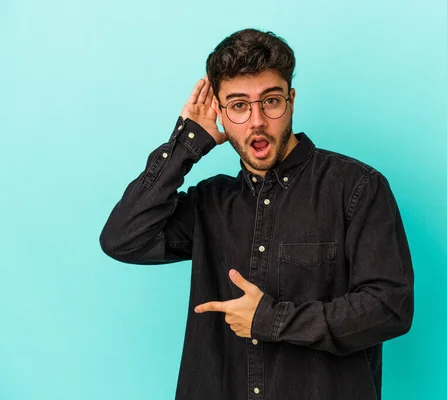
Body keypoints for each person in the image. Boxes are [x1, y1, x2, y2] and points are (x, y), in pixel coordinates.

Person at [100, 28, 414, 400]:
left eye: (270, 101)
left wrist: (271, 320)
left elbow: (389, 306)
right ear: (219, 111)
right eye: (238, 105)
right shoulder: (209, 203)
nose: (257, 121)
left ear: (291, 100)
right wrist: (185, 143)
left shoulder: (357, 187)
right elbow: (122, 238)